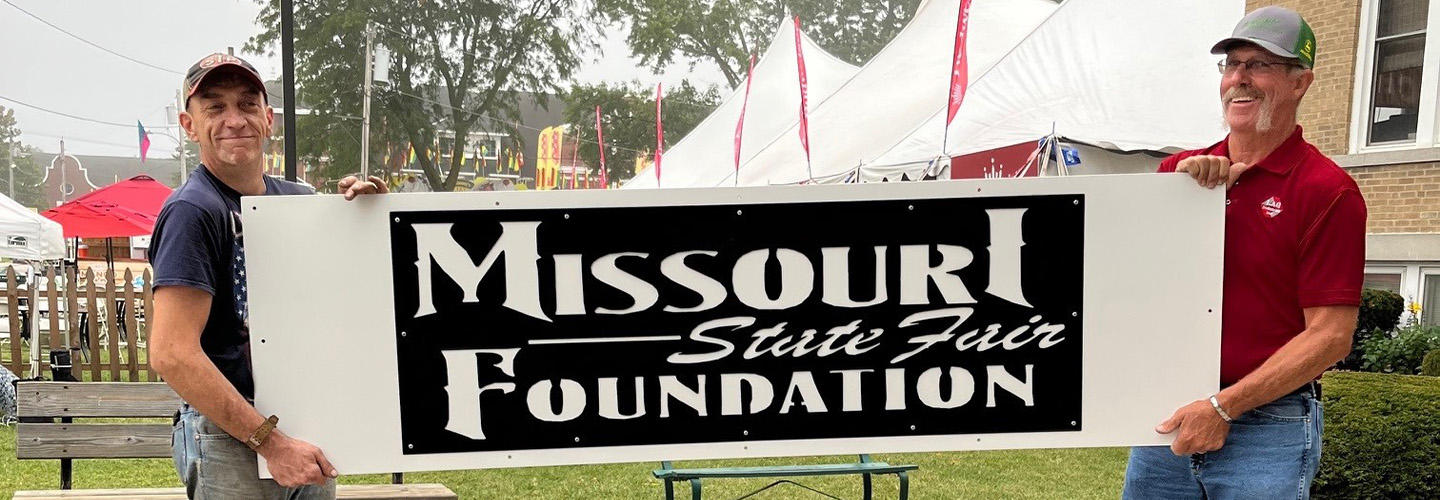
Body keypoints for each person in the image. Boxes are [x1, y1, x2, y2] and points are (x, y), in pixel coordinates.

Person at [1121, 6, 1367, 499]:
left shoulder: (1326, 191)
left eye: (1259, 65)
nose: (1239, 79)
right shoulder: (1177, 175)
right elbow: (1136, 289)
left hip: (1268, 426)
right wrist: (1184, 201)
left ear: (1301, 82)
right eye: (1231, 65)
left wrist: (1222, 408)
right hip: (1171, 414)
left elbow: (1331, 336)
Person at [149, 52, 388, 499]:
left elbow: (347, 298)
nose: (234, 120)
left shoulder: (297, 201)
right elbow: (172, 353)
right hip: (230, 435)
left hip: (306, 424)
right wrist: (270, 443)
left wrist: (371, 219)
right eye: (214, 107)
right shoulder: (193, 210)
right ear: (189, 125)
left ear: (268, 118)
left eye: (247, 104)